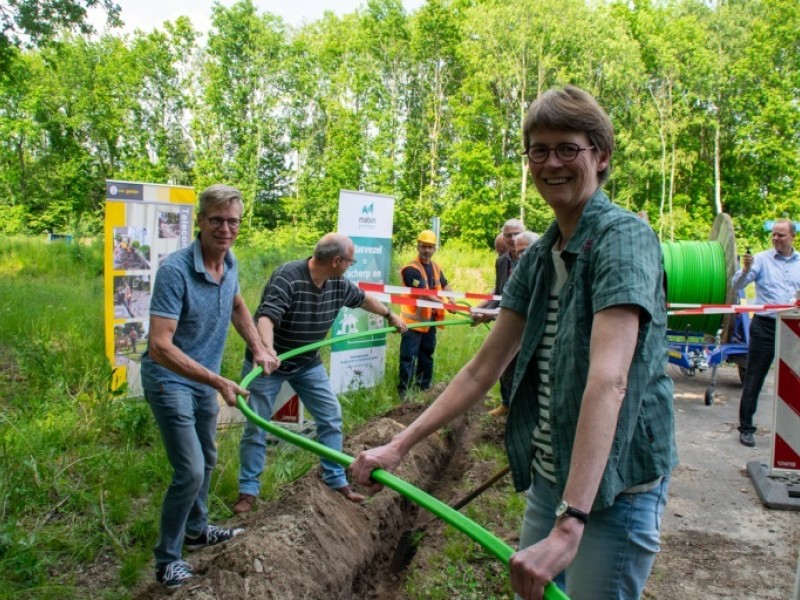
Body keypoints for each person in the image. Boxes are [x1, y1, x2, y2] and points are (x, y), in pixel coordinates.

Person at [353, 85, 677, 600]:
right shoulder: (544, 251)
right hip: (552, 476)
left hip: (612, 489)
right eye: (539, 150)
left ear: (601, 155)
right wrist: (399, 445)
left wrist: (573, 523)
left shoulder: (622, 238)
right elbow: (482, 370)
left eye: (568, 148)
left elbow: (610, 378)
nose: (552, 162)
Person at [140, 184, 277, 589]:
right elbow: (160, 346)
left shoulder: (230, 263)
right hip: (170, 380)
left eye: (232, 221)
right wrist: (217, 380)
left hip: (202, 380)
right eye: (216, 220)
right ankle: (167, 559)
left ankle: (197, 530)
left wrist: (258, 348)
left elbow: (236, 305)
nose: (225, 229)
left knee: (209, 459)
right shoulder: (175, 271)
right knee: (191, 470)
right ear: (199, 221)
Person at [234, 233, 407, 514]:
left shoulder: (337, 283)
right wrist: (266, 350)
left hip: (307, 364)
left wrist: (390, 315)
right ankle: (247, 492)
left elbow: (363, 299)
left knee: (330, 416)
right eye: (351, 261)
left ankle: (335, 480)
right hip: (269, 365)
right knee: (257, 426)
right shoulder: (289, 277)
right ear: (337, 260)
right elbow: (266, 316)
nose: (352, 265)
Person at [732, 219, 800, 447]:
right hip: (765, 327)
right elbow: (736, 286)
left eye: (781, 235)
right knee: (754, 378)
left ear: (792, 236)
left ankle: (791, 431)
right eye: (774, 235)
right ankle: (746, 428)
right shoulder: (760, 260)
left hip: (793, 327)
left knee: (794, 380)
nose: (776, 239)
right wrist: (745, 270)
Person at [473, 219, 526, 417]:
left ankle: (521, 409)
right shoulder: (501, 261)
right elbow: (499, 293)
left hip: (528, 322)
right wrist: (483, 311)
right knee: (504, 362)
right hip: (506, 320)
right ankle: (506, 404)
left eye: (516, 234)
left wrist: (490, 313)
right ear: (503, 237)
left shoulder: (533, 256)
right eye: (508, 235)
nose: (513, 239)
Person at [397, 229, 454, 398]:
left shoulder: (436, 267)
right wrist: (444, 304)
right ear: (418, 247)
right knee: (408, 358)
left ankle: (424, 387)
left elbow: (445, 285)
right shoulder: (411, 269)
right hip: (413, 323)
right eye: (424, 247)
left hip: (430, 321)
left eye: (430, 247)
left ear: (435, 248)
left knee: (427, 355)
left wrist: (451, 299)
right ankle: (404, 392)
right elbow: (423, 294)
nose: (427, 250)